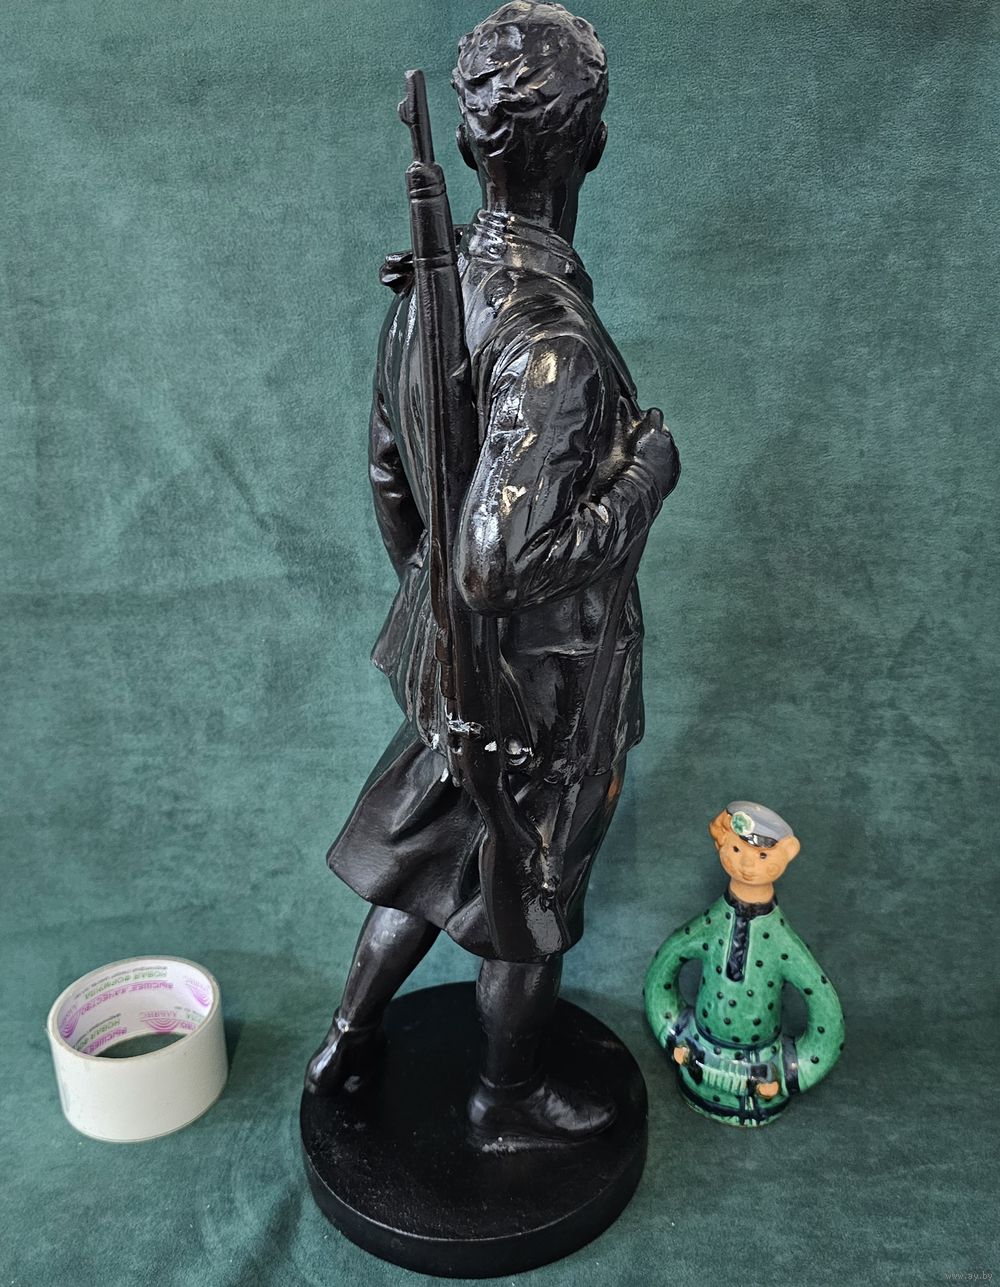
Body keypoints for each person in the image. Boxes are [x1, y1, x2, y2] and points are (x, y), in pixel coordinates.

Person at [306, 1, 680, 1149]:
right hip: (543, 688)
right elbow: (497, 562)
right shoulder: (546, 339)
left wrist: (434, 618)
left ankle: (347, 1040)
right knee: (527, 907)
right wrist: (642, 482)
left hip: (454, 669)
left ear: (472, 148)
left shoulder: (434, 285)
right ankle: (506, 1102)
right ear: (594, 146)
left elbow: (390, 473)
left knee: (425, 863)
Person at [644, 802, 845, 1126]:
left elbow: (823, 1005)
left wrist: (793, 1072)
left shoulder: (781, 942)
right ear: (722, 844)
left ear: (789, 852)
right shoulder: (711, 924)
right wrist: (674, 1034)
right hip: (698, 1058)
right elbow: (665, 965)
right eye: (737, 849)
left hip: (759, 1074)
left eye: (762, 855)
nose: (748, 864)